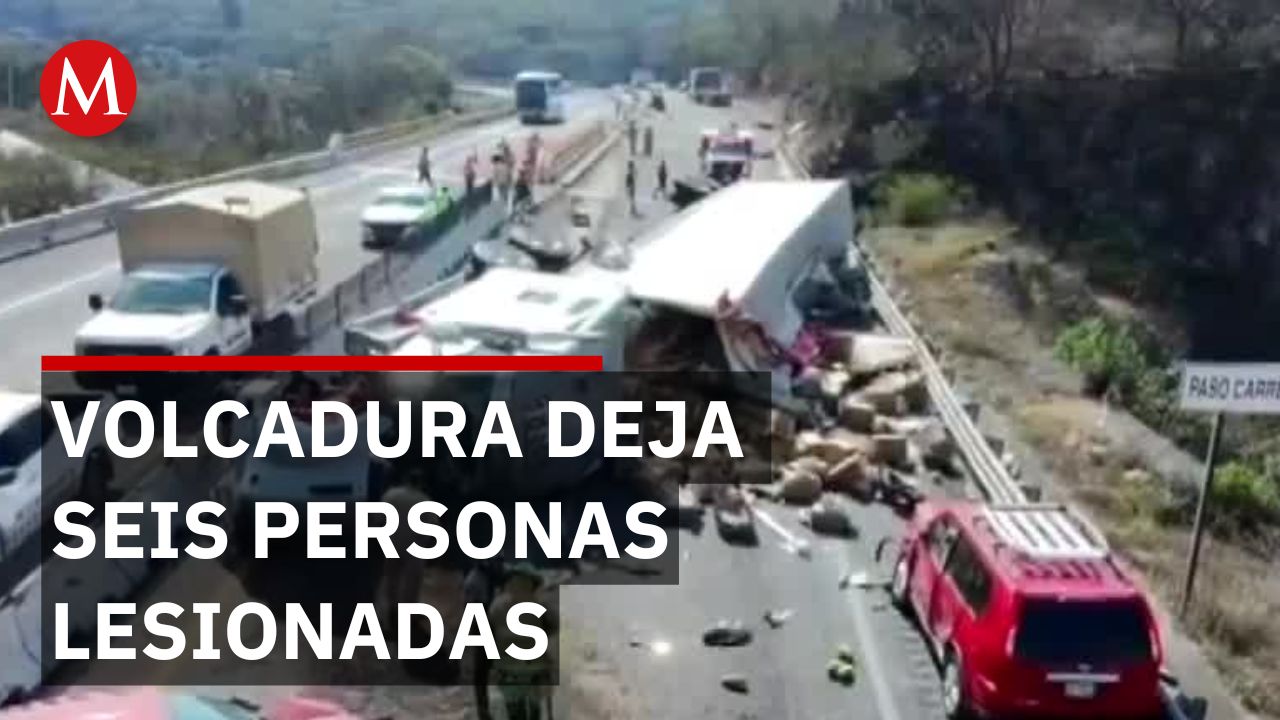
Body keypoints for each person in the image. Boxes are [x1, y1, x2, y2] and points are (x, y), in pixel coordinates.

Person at [489, 563, 557, 720]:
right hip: (529, 671)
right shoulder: (541, 606)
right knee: (530, 713)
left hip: (513, 673)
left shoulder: (497, 607)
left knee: (518, 713)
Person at [378, 471, 432, 635]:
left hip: (391, 542)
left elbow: (377, 518)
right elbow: (432, 527)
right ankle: (408, 615)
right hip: (413, 546)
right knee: (411, 582)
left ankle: (390, 612)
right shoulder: (424, 500)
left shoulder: (390, 495)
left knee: (390, 578)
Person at [465, 559, 504, 720]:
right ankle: (484, 710)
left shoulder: (492, 574)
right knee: (483, 669)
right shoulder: (475, 580)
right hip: (483, 621)